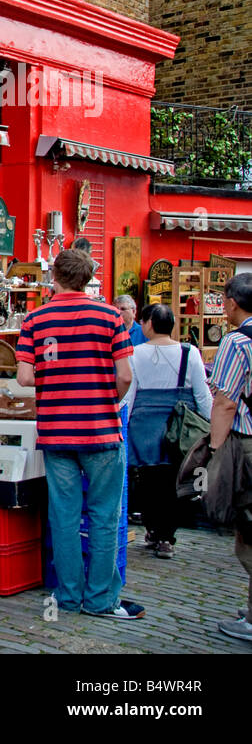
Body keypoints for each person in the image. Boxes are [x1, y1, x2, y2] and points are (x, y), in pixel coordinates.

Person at [17, 248, 141, 619]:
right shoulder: (110, 316)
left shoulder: (35, 319)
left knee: (64, 517)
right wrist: (107, 401)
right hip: (101, 429)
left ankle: (68, 595)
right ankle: (102, 599)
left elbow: (24, 377)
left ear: (54, 276)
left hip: (57, 431)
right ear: (88, 279)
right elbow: (126, 376)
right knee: (104, 516)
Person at [122, 304, 210, 559]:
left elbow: (129, 394)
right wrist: (208, 422)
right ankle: (166, 537)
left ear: (148, 324)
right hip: (180, 426)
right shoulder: (189, 352)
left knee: (148, 480)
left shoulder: (135, 353)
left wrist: (122, 422)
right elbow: (202, 394)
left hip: (145, 425)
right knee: (175, 479)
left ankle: (153, 530)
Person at [208, 272, 252, 643]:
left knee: (248, 530)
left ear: (232, 303)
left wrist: (214, 450)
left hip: (247, 443)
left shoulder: (237, 342)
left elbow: (225, 401)